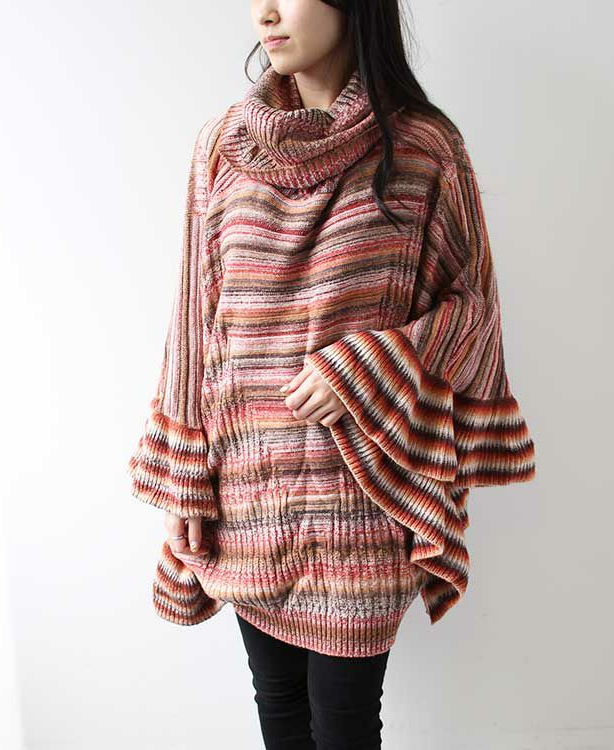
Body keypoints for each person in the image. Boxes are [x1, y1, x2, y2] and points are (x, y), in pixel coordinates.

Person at [127, 1, 536, 747]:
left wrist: (367, 364)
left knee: (344, 725)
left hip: (362, 497)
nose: (265, 13)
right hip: (247, 490)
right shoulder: (222, 145)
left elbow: (474, 313)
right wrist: (184, 479)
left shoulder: (424, 148)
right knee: (278, 707)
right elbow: (194, 318)